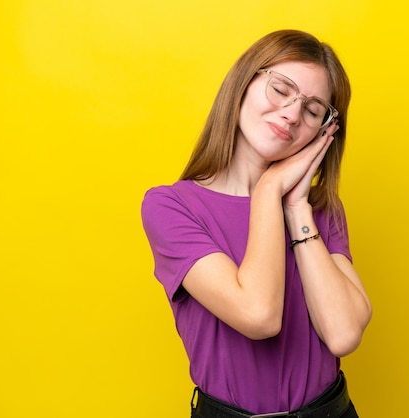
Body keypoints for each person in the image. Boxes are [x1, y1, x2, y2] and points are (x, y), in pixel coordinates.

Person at [141, 29, 371, 418]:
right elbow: (259, 316)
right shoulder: (171, 206)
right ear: (245, 82)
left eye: (314, 110)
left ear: (323, 133)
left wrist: (296, 206)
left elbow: (344, 333)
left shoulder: (319, 210)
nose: (292, 114)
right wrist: (268, 191)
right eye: (281, 89)